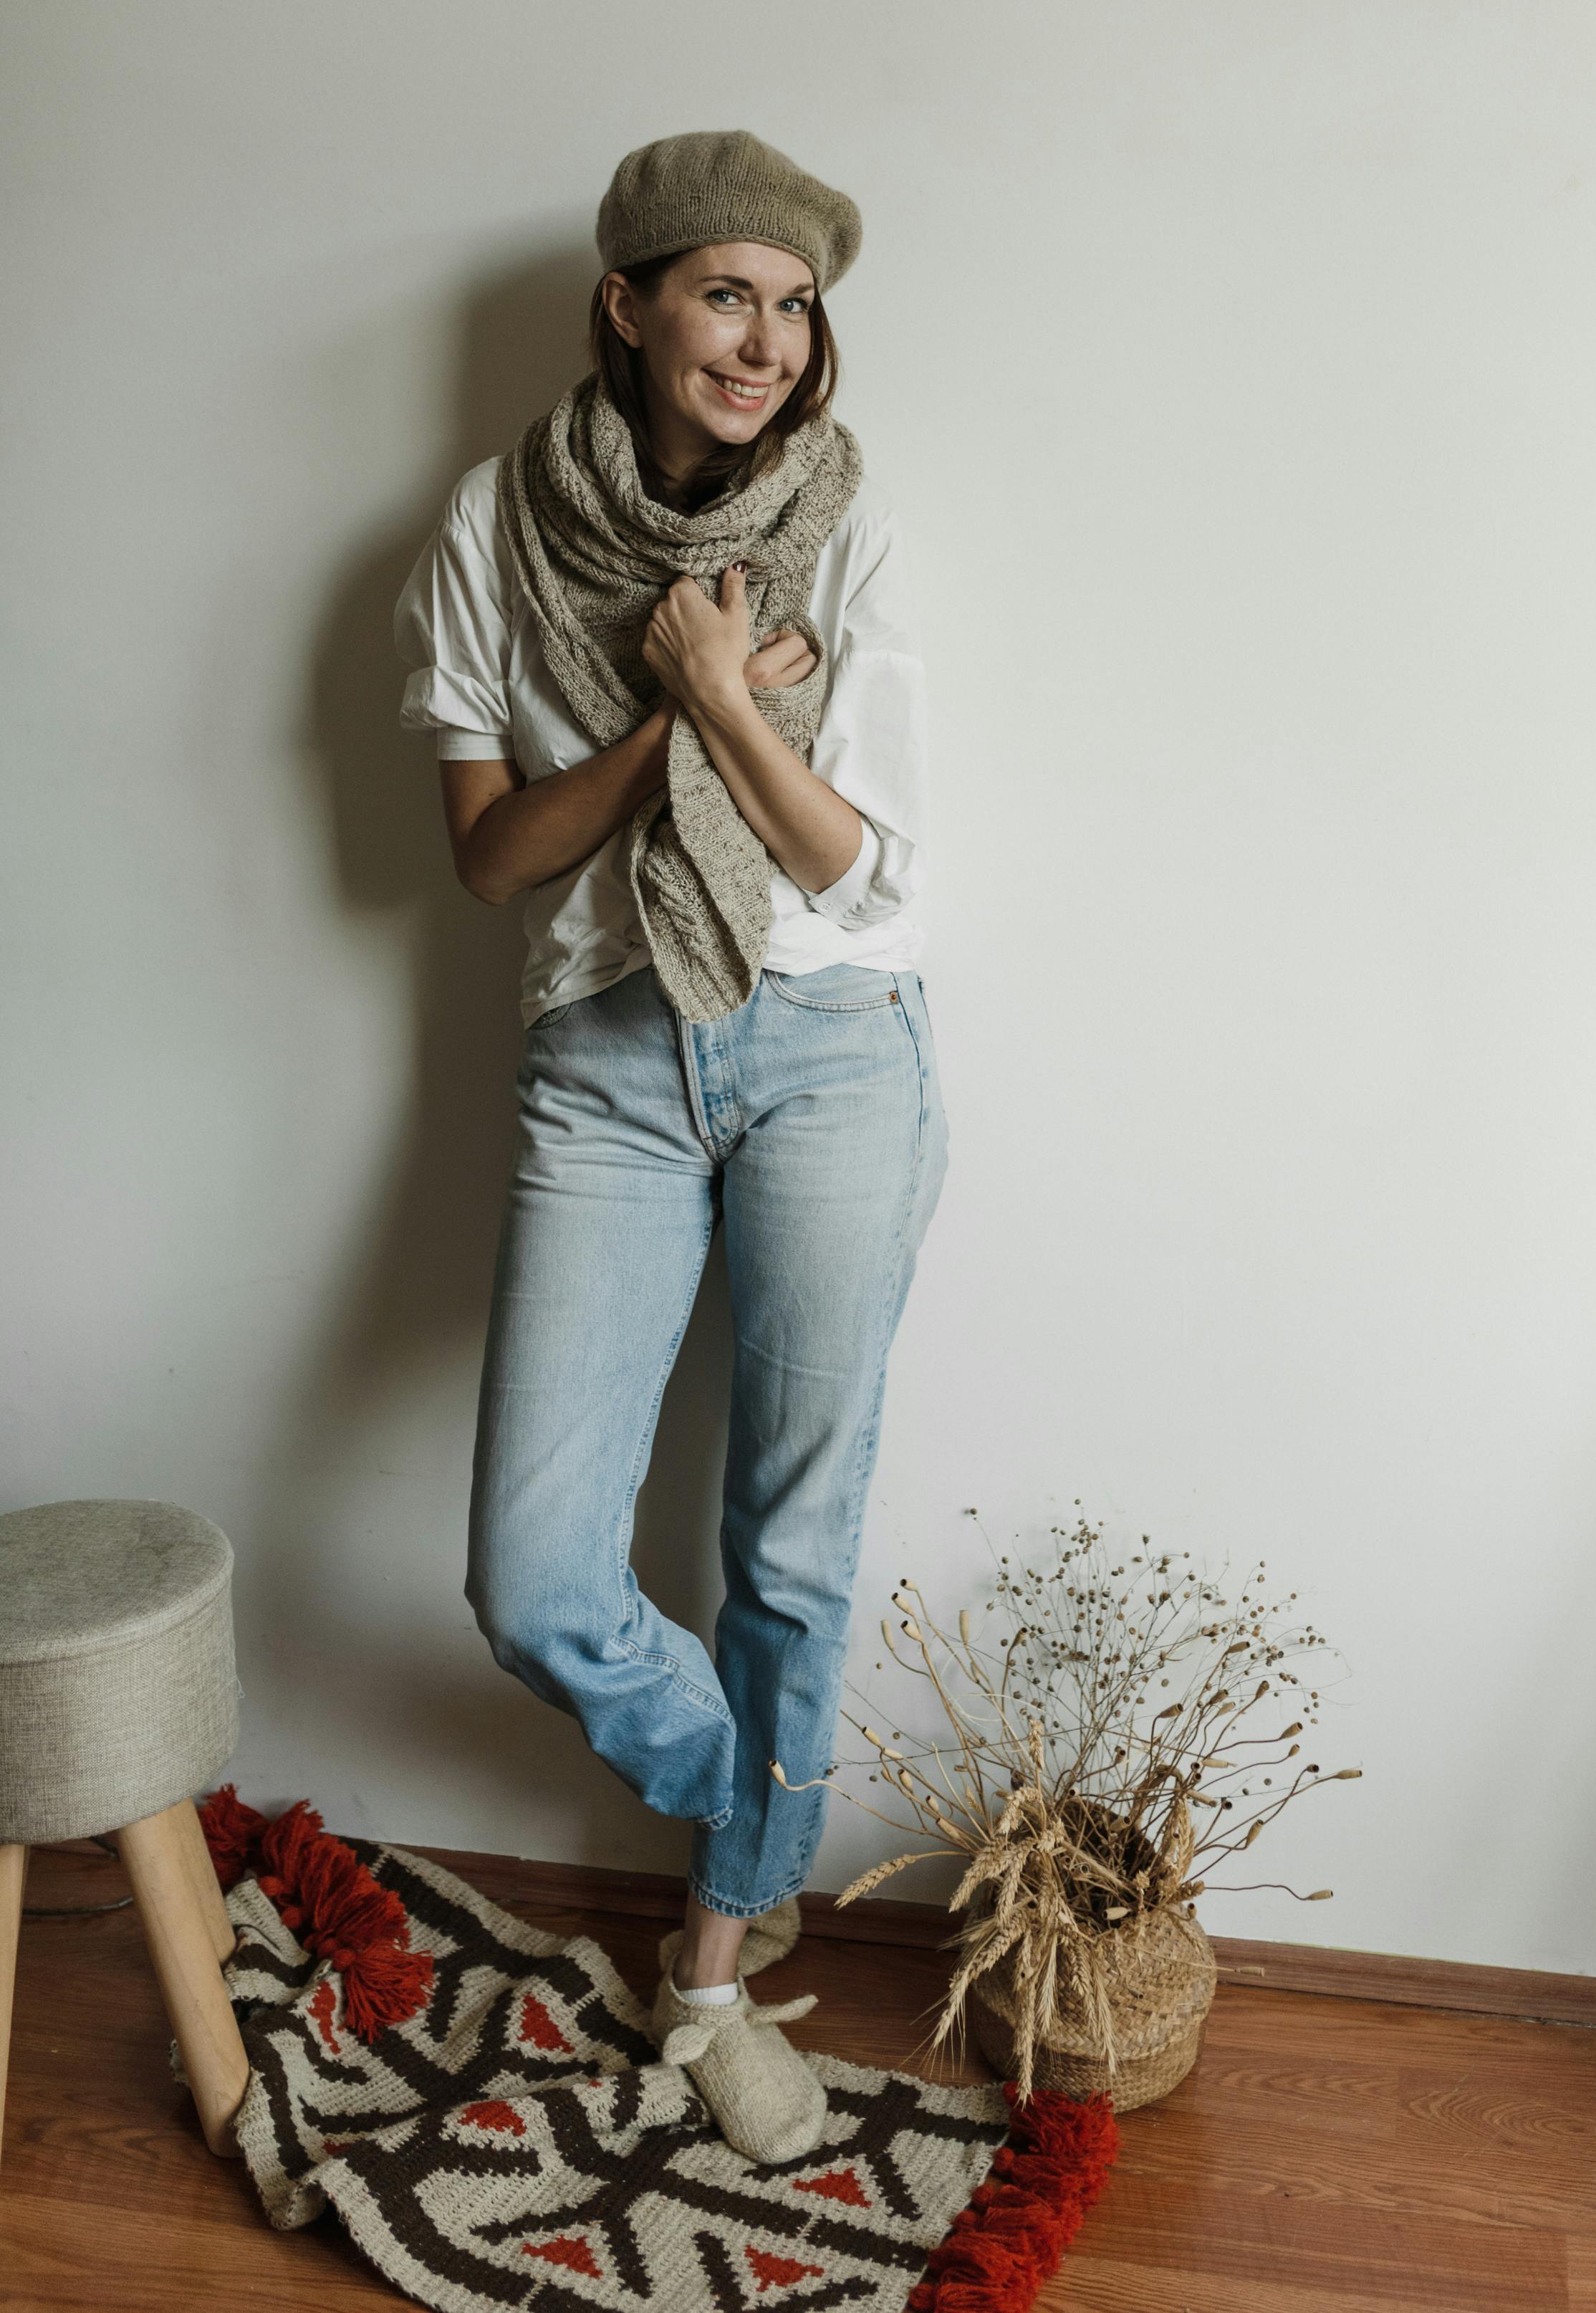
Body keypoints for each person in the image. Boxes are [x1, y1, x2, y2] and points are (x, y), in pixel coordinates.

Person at [393, 130, 946, 2162]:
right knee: (536, 1576)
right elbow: (486, 857)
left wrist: (738, 710)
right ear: (627, 303)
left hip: (829, 1045)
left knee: (785, 1542)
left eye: (795, 307)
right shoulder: (489, 523)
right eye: (726, 293)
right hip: (607, 1057)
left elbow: (855, 864)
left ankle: (709, 1983)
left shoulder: (850, 518)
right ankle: (769, 1815)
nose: (767, 341)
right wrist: (682, 701)